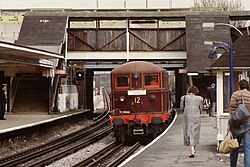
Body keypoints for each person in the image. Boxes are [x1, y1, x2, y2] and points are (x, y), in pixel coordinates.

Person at [228, 79, 250, 167]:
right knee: (247, 148)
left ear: (239, 86)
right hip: (248, 124)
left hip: (237, 124)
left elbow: (231, 111)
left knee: (234, 146)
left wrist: (229, 125)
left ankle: (233, 165)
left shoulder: (235, 94)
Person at [180, 86, 203, 158]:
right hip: (196, 116)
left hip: (187, 116)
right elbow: (201, 108)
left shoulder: (183, 98)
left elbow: (181, 108)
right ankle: (193, 148)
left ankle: (192, 149)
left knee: (188, 132)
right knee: (195, 132)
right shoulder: (200, 98)